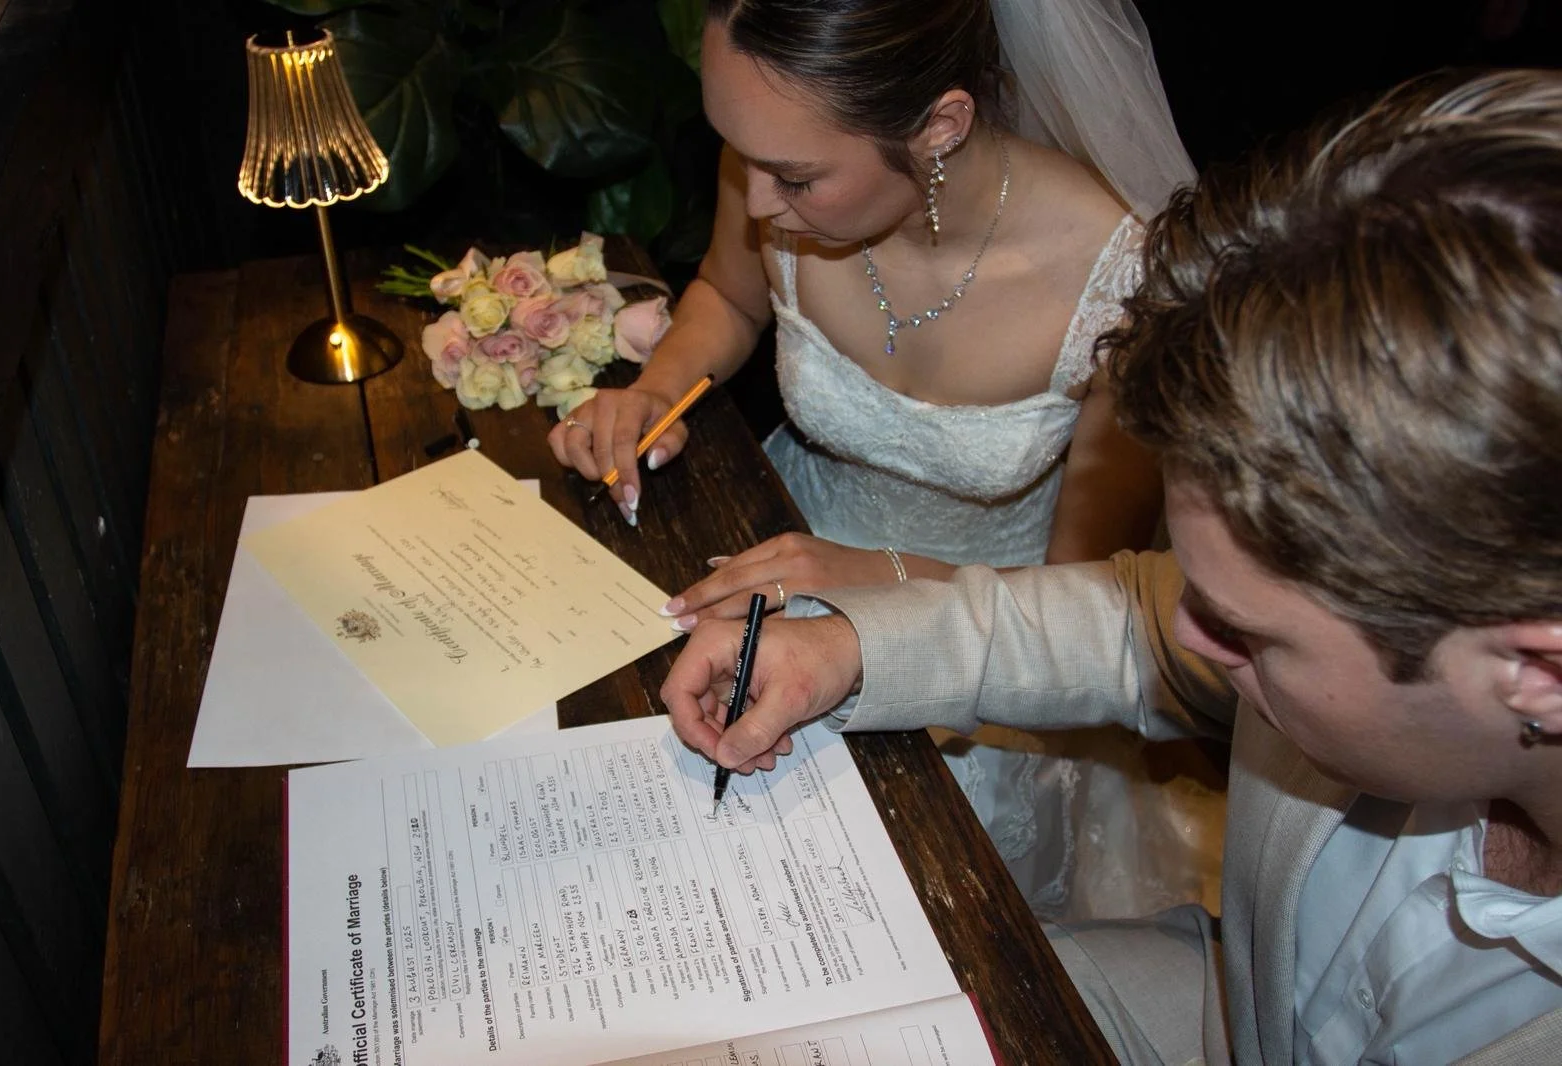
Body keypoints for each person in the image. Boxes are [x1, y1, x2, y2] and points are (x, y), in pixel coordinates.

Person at [660, 68, 1562, 1065]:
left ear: (1538, 671)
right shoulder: (1429, 618)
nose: (1185, 638)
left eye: (1248, 633)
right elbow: (1123, 621)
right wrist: (848, 646)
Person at [548, 0, 1214, 919]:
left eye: (794, 178)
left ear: (940, 125)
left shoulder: (1119, 282)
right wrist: (659, 391)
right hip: (771, 548)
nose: (757, 201)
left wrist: (879, 573)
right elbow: (728, 300)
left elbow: (1094, 596)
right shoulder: (773, 148)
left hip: (989, 639)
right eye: (742, 157)